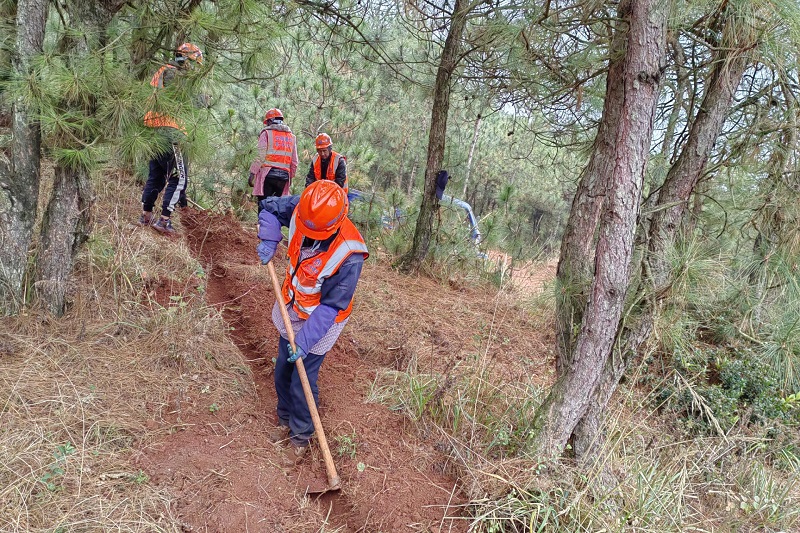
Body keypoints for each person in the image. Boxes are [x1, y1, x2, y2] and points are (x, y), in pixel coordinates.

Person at [256, 180, 368, 462]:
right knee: (283, 366)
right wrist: (270, 236)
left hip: (324, 319)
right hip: (294, 306)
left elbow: (331, 306)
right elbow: (269, 207)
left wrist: (305, 342)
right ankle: (284, 420)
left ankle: (300, 436)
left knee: (302, 376)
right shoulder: (306, 207)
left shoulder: (349, 254)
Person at [140, 42, 204, 234]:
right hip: (172, 131)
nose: (194, 70)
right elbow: (192, 102)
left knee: (157, 176)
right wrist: (205, 99)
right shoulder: (176, 76)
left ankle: (145, 216)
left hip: (154, 130)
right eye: (194, 64)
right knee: (180, 178)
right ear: (187, 60)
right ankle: (165, 220)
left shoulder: (162, 71)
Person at [248, 108, 299, 201]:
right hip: (283, 177)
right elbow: (294, 162)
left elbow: (260, 155)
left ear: (270, 121)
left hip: (267, 175)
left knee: (264, 206)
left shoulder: (266, 133)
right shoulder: (291, 137)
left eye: (267, 121)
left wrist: (252, 173)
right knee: (277, 208)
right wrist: (290, 178)